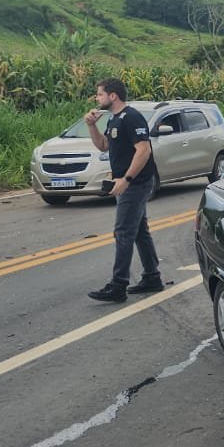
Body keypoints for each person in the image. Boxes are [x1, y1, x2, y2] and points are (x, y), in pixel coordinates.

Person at [84, 78, 163, 302]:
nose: (97, 98)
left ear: (113, 96)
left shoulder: (131, 117)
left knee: (123, 232)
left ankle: (118, 285)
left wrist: (126, 179)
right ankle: (152, 277)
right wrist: (92, 126)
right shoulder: (114, 119)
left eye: (99, 94)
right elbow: (103, 145)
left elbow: (144, 150)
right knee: (139, 231)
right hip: (126, 182)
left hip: (135, 183)